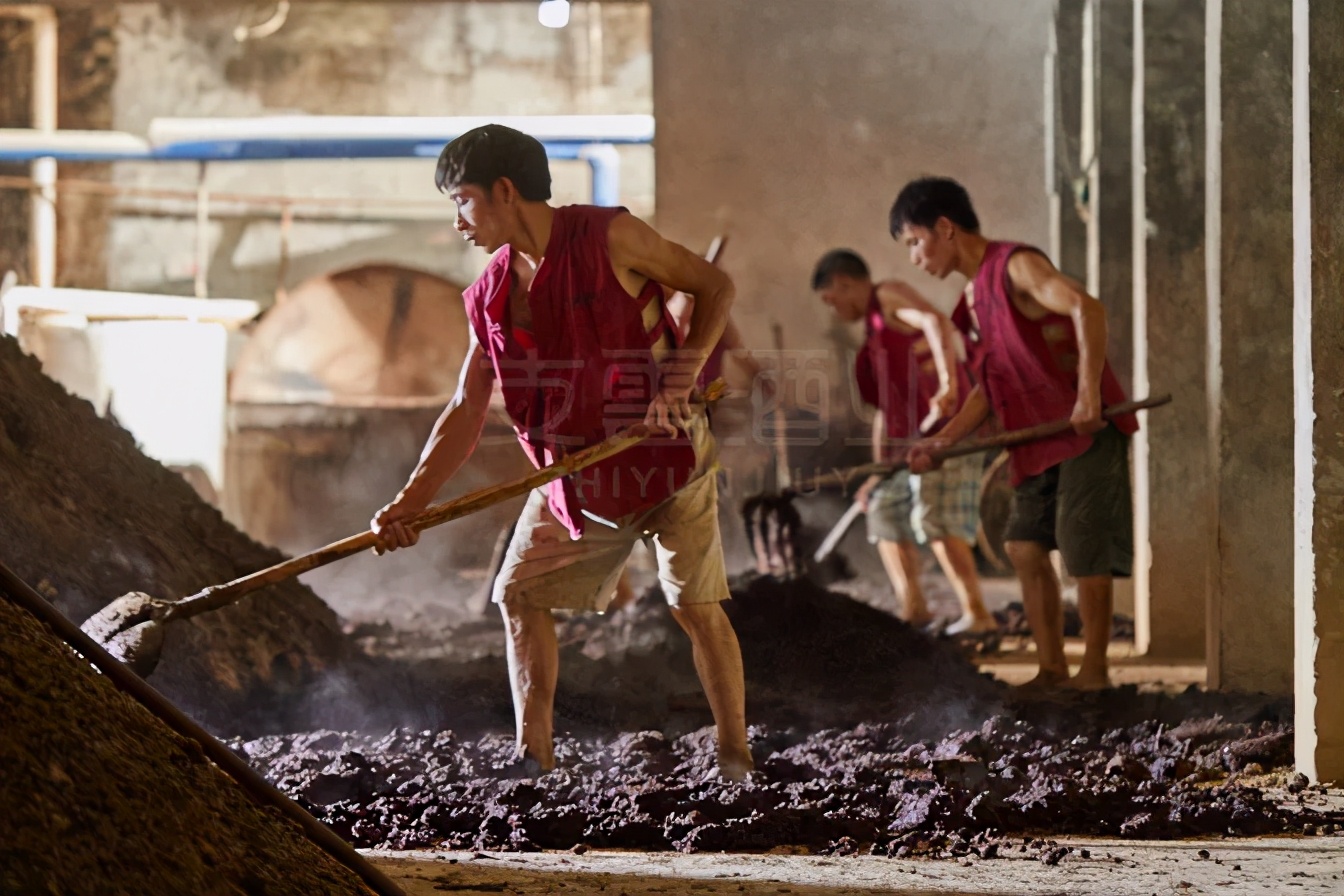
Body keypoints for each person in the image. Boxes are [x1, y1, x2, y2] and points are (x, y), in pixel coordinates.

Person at [371, 124, 753, 779]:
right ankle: (534, 756)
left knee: (693, 606)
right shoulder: (490, 293)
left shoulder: (611, 238)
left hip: (664, 455)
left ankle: (734, 755)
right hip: (571, 474)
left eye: (462, 200)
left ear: (505, 190)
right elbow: (467, 407)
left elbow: (714, 286)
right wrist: (407, 504)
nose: (458, 221)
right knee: (519, 595)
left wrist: (681, 376)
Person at [892, 177, 1137, 691]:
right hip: (1034, 438)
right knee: (1024, 546)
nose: (915, 257)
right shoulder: (973, 302)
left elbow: (1086, 308)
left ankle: (1094, 672)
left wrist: (1089, 394)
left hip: (1085, 427)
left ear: (945, 227)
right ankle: (1051, 669)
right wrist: (943, 443)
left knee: (1082, 541)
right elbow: (986, 390)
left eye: (915, 241)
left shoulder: (1015, 265)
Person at [811, 249, 996, 636]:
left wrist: (948, 384)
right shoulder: (873, 338)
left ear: (845, 284)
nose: (834, 308)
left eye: (832, 298)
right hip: (910, 446)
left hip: (948, 430)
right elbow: (884, 413)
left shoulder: (889, 296)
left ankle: (977, 614)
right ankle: (915, 613)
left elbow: (934, 322)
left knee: (934, 517)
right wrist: (878, 473)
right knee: (883, 509)